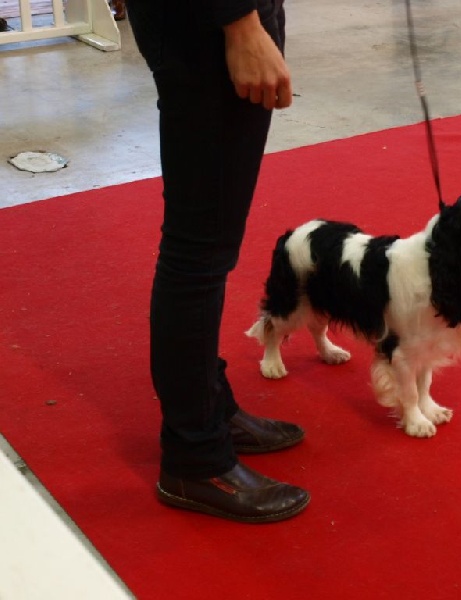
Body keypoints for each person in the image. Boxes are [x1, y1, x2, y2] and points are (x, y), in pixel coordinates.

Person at [125, 0, 309, 523]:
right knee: (199, 249)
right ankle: (195, 457)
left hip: (223, 16)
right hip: (207, 21)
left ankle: (211, 408)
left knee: (211, 242)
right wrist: (239, 23)